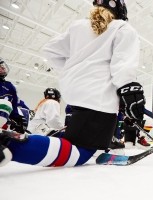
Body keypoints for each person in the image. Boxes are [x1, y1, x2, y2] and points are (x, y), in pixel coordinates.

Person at [0, 0, 145, 167]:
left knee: (73, 141)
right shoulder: (122, 28)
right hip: (99, 99)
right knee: (81, 152)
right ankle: (10, 145)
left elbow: (50, 50)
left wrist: (75, 71)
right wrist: (129, 90)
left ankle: (15, 140)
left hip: (77, 96)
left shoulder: (78, 26)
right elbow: (123, 64)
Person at [0, 58, 25, 134]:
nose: (2, 68)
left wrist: (17, 119)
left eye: (2, 67)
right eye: (0, 67)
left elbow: (13, 105)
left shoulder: (10, 86)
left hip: (2, 120)